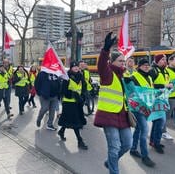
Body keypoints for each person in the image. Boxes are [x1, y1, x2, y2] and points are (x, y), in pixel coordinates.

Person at [93, 32, 132, 174]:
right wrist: (105, 50)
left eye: (124, 61)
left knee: (127, 144)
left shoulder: (124, 75)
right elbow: (101, 64)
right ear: (112, 61)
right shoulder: (107, 73)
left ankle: (109, 161)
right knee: (114, 147)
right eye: (120, 61)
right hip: (108, 116)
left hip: (123, 115)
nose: (123, 63)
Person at [128, 59, 156, 167]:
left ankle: (133, 149)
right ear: (139, 66)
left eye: (148, 65)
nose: (146, 67)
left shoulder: (149, 77)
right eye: (144, 65)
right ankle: (145, 156)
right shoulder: (134, 76)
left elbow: (151, 91)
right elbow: (130, 91)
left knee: (139, 129)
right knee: (144, 129)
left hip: (146, 108)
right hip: (137, 108)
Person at [58, 61, 88, 150]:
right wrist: (73, 94)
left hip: (78, 102)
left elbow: (83, 88)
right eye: (74, 67)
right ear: (71, 68)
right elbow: (63, 91)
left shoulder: (81, 76)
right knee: (75, 122)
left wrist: (82, 95)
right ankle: (80, 141)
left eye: (77, 67)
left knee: (69, 119)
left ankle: (61, 131)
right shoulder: (66, 77)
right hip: (68, 102)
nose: (76, 68)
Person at [149, 54, 172, 154]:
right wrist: (164, 85)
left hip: (163, 99)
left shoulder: (165, 71)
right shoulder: (153, 70)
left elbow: (167, 84)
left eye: (165, 59)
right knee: (160, 121)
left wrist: (170, 86)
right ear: (157, 61)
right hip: (155, 100)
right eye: (162, 59)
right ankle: (156, 143)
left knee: (156, 122)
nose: (165, 61)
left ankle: (152, 141)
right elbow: (150, 85)